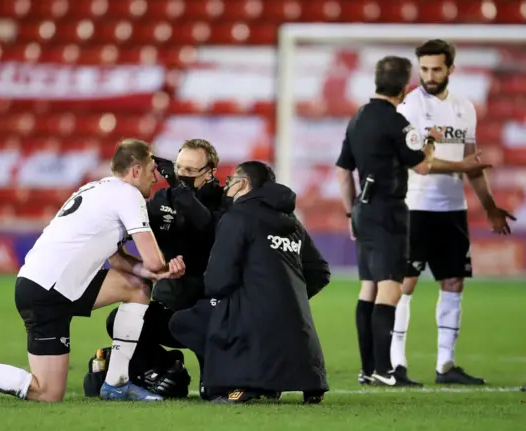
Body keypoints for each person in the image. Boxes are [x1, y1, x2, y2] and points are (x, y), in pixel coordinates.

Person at [0, 138, 186, 403]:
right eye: (152, 169)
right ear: (136, 170)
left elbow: (117, 261)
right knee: (46, 392)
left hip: (60, 283)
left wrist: (150, 272)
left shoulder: (97, 189)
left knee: (137, 287)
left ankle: (116, 384)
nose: (156, 177)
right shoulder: (128, 195)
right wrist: (162, 268)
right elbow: (153, 261)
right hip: (46, 291)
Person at [335, 56, 492, 387]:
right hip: (388, 211)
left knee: (368, 288)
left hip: (363, 208)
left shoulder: (357, 118)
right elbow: (422, 166)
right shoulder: (397, 122)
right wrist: (431, 141)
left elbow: (343, 171)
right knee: (390, 289)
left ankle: (368, 370)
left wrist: (351, 211)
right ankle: (383, 368)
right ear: (405, 86)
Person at [389, 40, 517, 386]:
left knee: (454, 282)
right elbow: (420, 163)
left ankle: (445, 365)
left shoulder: (465, 108)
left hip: (452, 210)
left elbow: (473, 165)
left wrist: (489, 207)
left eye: (436, 69)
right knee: (405, 285)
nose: (429, 76)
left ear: (450, 70)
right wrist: (460, 164)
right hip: (414, 207)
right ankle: (395, 364)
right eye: (424, 69)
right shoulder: (409, 107)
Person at [174, 161, 331, 404]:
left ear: (243, 184)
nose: (226, 188)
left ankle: (235, 383)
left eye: (230, 182)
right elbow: (320, 271)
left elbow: (218, 279)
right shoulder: (293, 223)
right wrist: (286, 295)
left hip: (250, 320)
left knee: (183, 322)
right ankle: (309, 387)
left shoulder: (237, 217)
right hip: (301, 340)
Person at [99, 139, 226, 399]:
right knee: (118, 322)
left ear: (210, 172)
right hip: (171, 304)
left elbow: (208, 228)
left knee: (213, 393)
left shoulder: (224, 201)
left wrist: (179, 186)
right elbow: (126, 230)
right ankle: (168, 367)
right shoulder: (162, 199)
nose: (182, 175)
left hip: (209, 313)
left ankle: (216, 368)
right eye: (179, 168)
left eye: (190, 171)